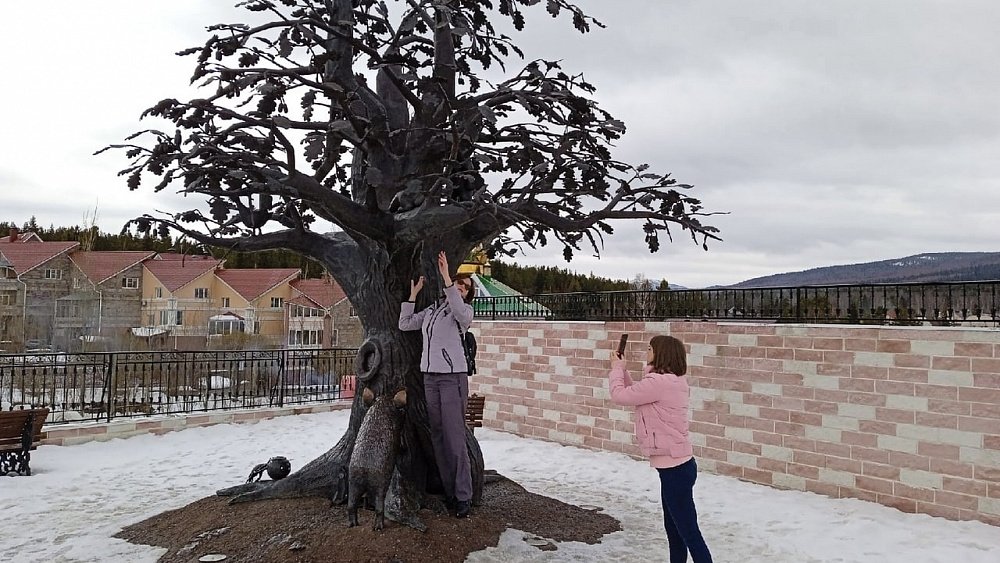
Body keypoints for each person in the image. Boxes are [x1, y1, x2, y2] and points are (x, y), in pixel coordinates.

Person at [608, 335, 713, 563]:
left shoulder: (659, 383)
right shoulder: (669, 381)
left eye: (649, 349)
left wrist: (616, 368)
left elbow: (620, 395)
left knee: (688, 533)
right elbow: (637, 394)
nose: (647, 352)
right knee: (676, 531)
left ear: (661, 353)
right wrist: (623, 371)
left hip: (675, 469)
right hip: (677, 467)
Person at [399, 250, 476, 518]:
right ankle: (449, 492)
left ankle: (463, 496)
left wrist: (446, 276)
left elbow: (457, 307)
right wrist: (413, 294)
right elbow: (405, 323)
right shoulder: (432, 310)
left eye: (465, 287)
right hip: (430, 377)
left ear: (467, 294)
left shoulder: (463, 312)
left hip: (452, 378)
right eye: (459, 283)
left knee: (455, 440)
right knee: (439, 437)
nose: (460, 288)